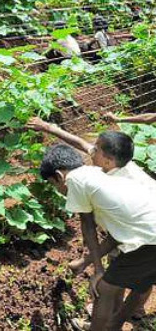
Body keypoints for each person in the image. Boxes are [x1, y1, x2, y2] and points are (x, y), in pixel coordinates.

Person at [27, 117, 156, 325]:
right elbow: (115, 236)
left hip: (149, 235)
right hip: (146, 229)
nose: (91, 152)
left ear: (59, 176)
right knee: (139, 280)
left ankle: (108, 322)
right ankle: (114, 324)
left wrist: (97, 270)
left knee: (104, 287)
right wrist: (49, 128)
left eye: (53, 184)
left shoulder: (79, 180)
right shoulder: (103, 169)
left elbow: (87, 226)